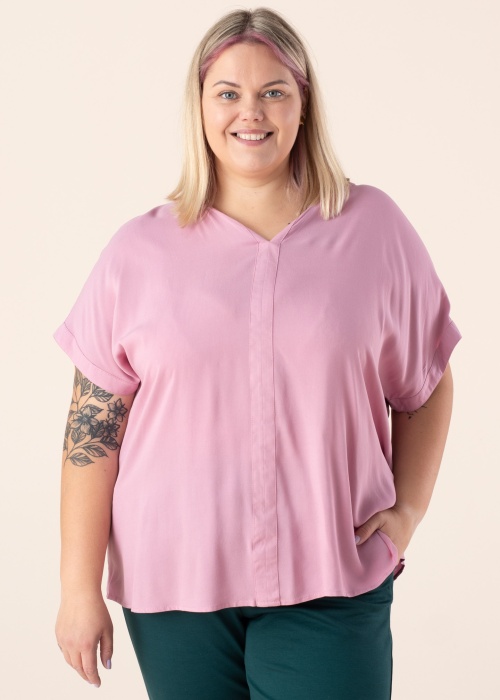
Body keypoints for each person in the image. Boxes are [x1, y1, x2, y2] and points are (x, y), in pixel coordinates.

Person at [53, 7, 462, 699]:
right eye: (228, 93)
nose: (251, 111)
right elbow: (91, 431)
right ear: (200, 106)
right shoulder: (138, 253)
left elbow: (427, 381)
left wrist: (409, 512)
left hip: (333, 576)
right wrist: (77, 589)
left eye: (274, 91)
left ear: (304, 105)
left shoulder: (373, 230)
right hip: (173, 587)